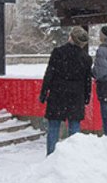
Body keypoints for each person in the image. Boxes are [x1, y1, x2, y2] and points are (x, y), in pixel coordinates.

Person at [38, 27, 93, 155]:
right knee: (74, 127)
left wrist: (44, 92)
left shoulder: (58, 53)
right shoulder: (86, 58)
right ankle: (72, 156)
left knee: (54, 126)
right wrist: (87, 97)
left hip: (58, 93)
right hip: (76, 96)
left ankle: (51, 155)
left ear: (70, 38)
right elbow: (87, 80)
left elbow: (49, 74)